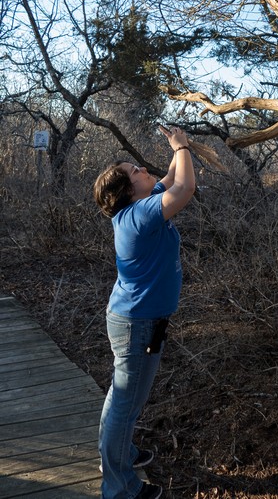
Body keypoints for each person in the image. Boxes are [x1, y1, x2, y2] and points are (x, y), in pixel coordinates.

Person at [93, 125, 195, 499]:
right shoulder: (138, 217)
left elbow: (170, 178)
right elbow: (183, 188)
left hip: (131, 320)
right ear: (127, 190)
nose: (142, 169)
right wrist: (181, 146)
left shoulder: (139, 205)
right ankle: (120, 487)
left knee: (121, 397)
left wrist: (178, 148)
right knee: (127, 402)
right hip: (138, 325)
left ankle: (119, 454)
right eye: (134, 171)